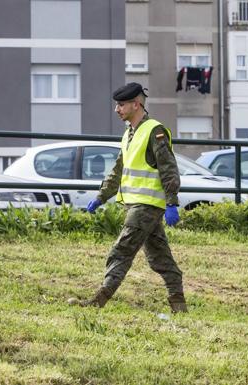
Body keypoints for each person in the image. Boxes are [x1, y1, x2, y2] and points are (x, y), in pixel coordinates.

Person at [67, 82, 187, 313]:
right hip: (137, 205)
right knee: (160, 259)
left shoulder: (155, 131)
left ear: (136, 104)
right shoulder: (129, 134)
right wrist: (101, 197)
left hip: (146, 206)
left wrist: (172, 202)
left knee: (121, 251)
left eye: (121, 105)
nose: (117, 109)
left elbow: (168, 169)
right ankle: (179, 306)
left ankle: (98, 301)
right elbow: (119, 170)